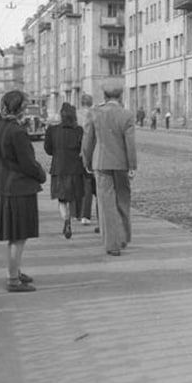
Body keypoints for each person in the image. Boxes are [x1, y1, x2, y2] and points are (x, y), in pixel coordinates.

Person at [0, 90, 46, 293]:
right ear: (20, 107)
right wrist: (41, 174)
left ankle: (14, 271)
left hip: (5, 185)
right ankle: (13, 278)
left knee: (14, 236)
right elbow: (27, 163)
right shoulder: (17, 131)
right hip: (19, 188)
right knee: (19, 237)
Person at [83, 80, 137, 256]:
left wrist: (87, 161)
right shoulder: (126, 114)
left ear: (104, 96)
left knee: (106, 204)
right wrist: (132, 165)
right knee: (123, 200)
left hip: (101, 162)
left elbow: (88, 140)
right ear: (120, 96)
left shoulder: (94, 113)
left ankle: (112, 244)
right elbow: (130, 144)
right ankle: (123, 237)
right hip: (121, 164)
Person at [44, 102, 86, 240]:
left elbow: (48, 149)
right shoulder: (79, 130)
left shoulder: (52, 130)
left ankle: (66, 220)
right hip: (75, 168)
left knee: (61, 198)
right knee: (72, 197)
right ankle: (71, 217)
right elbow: (83, 149)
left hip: (59, 168)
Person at [79, 94, 98, 229]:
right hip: (98, 154)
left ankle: (85, 215)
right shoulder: (96, 114)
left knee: (86, 186)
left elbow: (86, 140)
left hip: (84, 154)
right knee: (99, 189)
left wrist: (85, 159)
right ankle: (101, 216)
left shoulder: (78, 114)